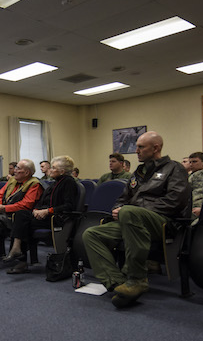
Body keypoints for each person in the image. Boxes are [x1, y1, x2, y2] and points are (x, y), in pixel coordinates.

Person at [82, 131, 191, 308]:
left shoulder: (174, 168)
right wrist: (118, 209)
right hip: (131, 219)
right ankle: (117, 283)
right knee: (92, 234)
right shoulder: (139, 172)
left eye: (141, 147)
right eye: (137, 147)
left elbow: (175, 201)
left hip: (163, 222)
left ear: (156, 148)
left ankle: (136, 279)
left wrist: (131, 210)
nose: (137, 151)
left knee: (129, 212)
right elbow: (123, 198)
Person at [3, 156, 79, 274]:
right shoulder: (54, 183)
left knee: (22, 219)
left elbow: (69, 206)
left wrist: (48, 211)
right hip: (44, 216)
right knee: (21, 215)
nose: (50, 170)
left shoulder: (69, 183)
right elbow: (41, 202)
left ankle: (19, 256)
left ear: (62, 171)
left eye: (53, 168)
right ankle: (18, 253)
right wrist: (36, 210)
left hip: (57, 218)